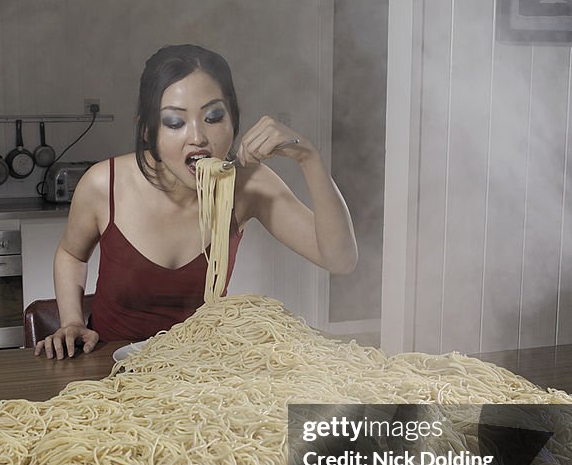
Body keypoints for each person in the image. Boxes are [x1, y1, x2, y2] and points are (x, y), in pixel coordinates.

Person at [35, 43, 357, 359]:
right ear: (147, 130)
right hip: (109, 365)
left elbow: (340, 260)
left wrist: (309, 159)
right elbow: (71, 254)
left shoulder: (246, 185)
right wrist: (73, 321)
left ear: (233, 120)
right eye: (175, 122)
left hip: (202, 369)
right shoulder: (104, 183)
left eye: (214, 117)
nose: (198, 137)